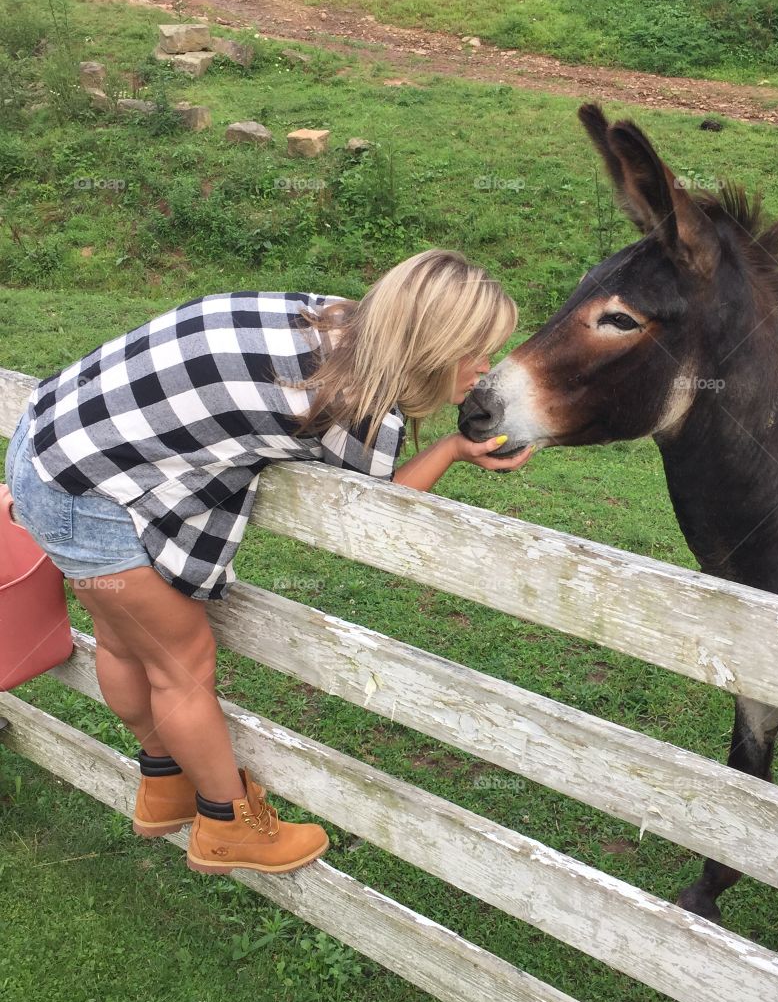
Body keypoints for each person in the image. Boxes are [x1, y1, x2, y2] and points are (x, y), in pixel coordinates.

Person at [4, 249, 531, 876]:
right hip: (85, 494)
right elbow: (379, 503)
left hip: (47, 445)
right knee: (182, 667)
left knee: (123, 644)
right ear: (431, 345)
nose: (485, 369)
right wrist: (450, 450)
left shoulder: (332, 319)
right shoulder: (354, 402)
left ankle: (164, 786)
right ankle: (228, 826)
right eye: (475, 352)